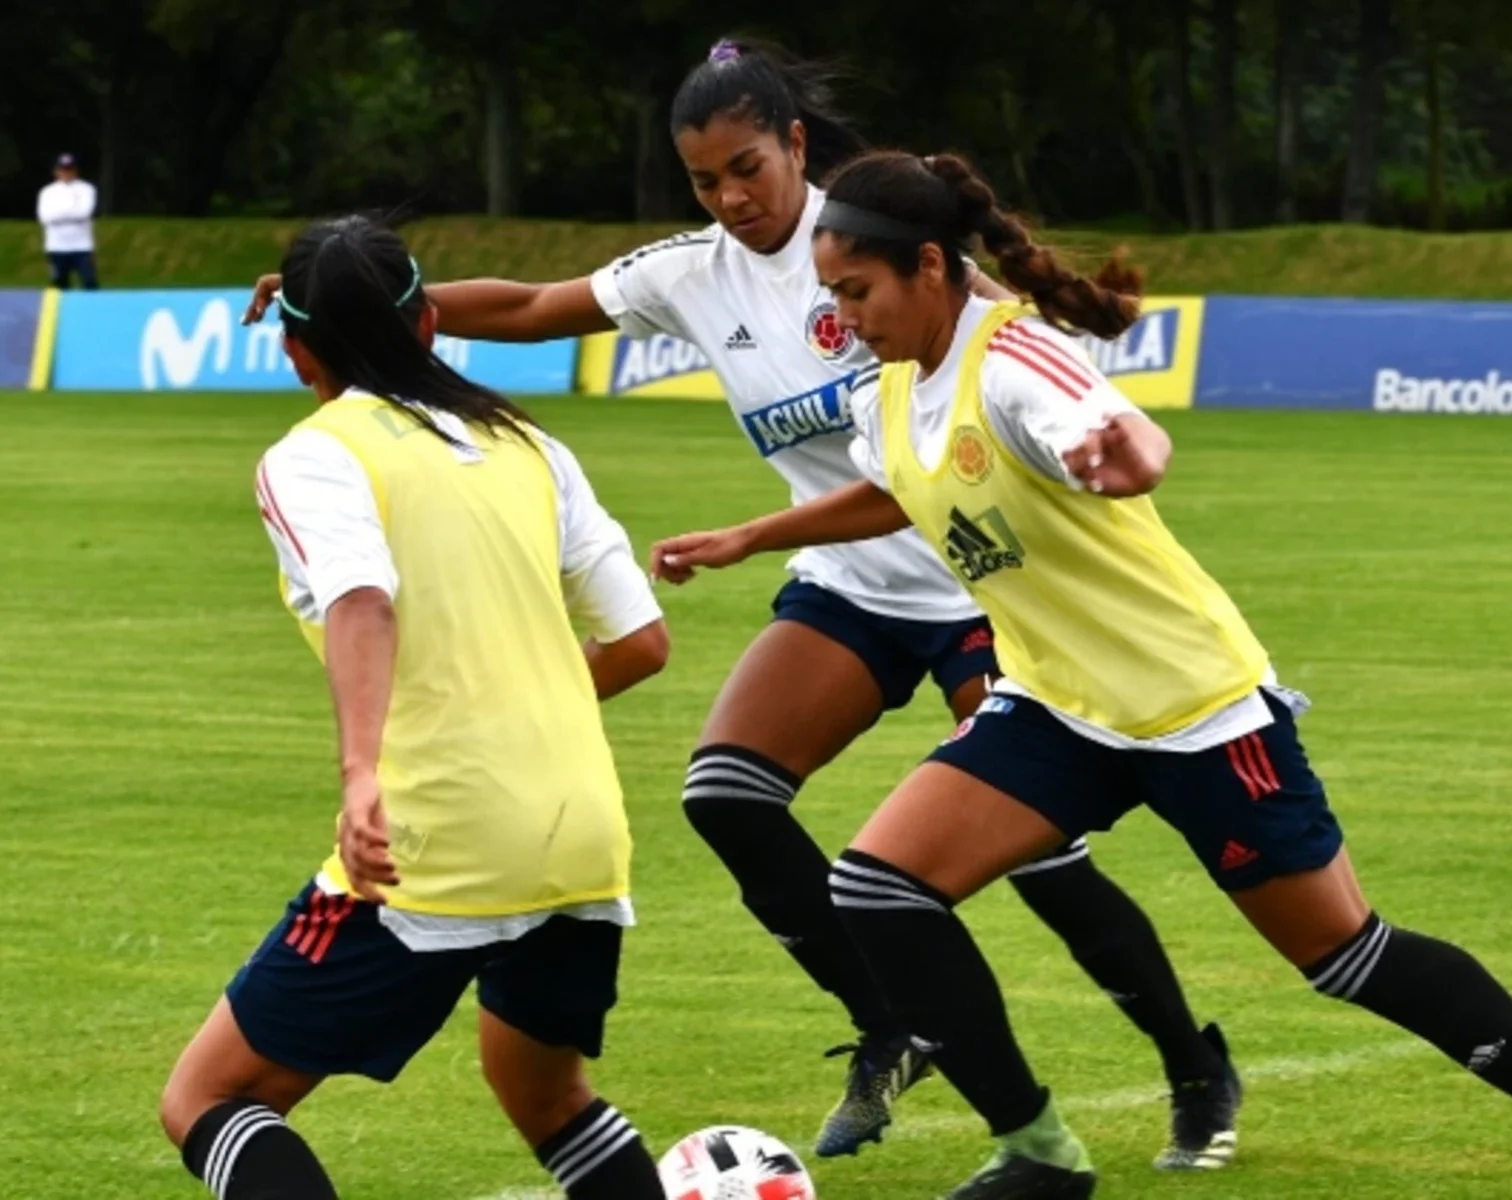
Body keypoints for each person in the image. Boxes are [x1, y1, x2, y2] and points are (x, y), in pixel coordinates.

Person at [241, 40, 1242, 1172]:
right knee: (726, 791)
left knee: (1036, 851)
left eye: (747, 168)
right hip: (847, 588)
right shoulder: (691, 272)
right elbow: (526, 302)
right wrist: (363, 298)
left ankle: (1192, 1064)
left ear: (796, 146)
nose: (730, 198)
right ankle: (889, 1023)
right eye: (705, 180)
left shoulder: (874, 239)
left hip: (973, 583)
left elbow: (1017, 362)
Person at [650, 148, 1512, 1199]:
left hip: (1190, 710)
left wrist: (1130, 456)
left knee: (1343, 956)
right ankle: (1039, 1152)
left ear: (928, 267)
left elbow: (1114, 429)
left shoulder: (1010, 359)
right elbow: (895, 491)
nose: (841, 316)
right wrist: (752, 534)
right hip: (1057, 707)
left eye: (856, 292)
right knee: (878, 887)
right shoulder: (886, 390)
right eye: (831, 294)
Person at [160, 215, 673, 1200]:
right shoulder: (525, 442)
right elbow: (642, 642)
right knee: (547, 1095)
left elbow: (361, 596)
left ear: (292, 347)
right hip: (581, 835)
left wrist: (361, 776)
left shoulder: (313, 456)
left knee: (208, 1099)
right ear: (430, 323)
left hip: (432, 838)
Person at [36, 153, 99, 290]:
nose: (66, 173)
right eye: (63, 169)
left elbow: (84, 212)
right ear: (56, 171)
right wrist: (71, 212)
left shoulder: (86, 189)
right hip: (57, 246)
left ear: (75, 171)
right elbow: (45, 217)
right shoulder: (47, 192)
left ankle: (93, 310)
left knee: (89, 282)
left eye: (69, 169)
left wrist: (59, 213)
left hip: (82, 246)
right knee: (59, 284)